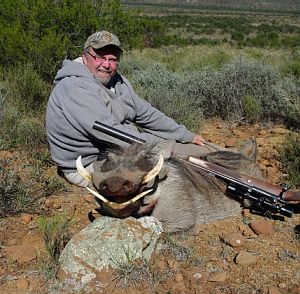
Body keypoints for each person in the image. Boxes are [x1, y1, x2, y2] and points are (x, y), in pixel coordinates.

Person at [46, 30, 224, 187]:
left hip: (120, 148)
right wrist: (163, 144)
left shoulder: (117, 81)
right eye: (99, 57)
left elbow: (145, 113)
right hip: (90, 163)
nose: (106, 65)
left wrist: (185, 135)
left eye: (113, 59)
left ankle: (231, 161)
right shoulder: (74, 86)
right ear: (85, 57)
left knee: (201, 150)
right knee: (175, 171)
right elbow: (111, 133)